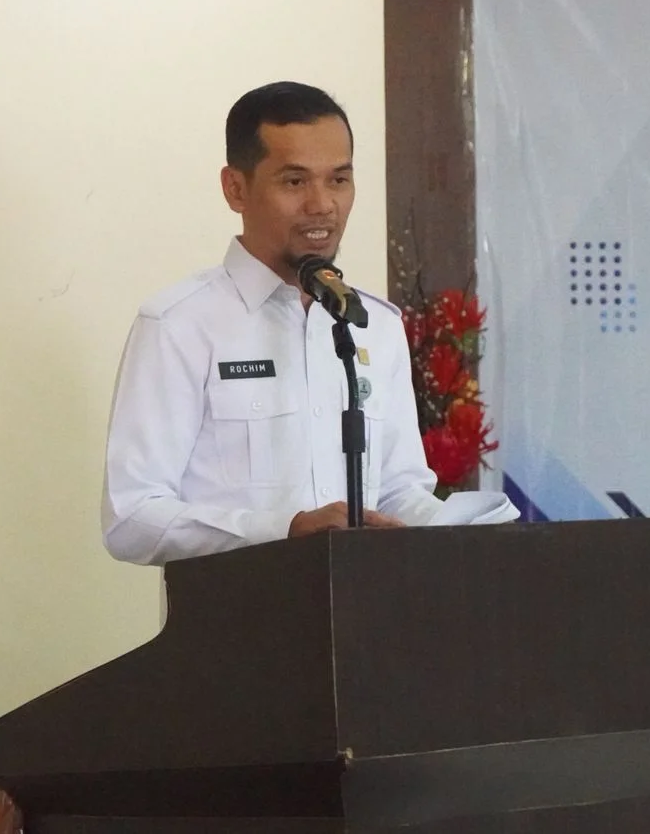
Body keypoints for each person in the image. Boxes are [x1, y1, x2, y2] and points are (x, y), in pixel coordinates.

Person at [101, 81, 465, 564]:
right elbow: (131, 518)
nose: (322, 204)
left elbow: (398, 491)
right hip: (234, 611)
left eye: (339, 180)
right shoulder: (178, 325)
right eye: (295, 182)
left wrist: (473, 531)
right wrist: (283, 531)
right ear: (236, 188)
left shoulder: (373, 325)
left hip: (366, 608)